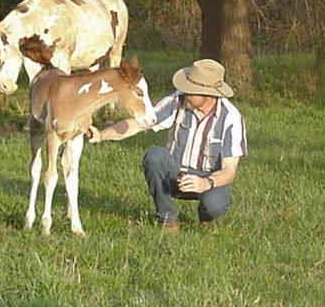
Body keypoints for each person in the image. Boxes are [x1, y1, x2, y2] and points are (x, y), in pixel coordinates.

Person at [88, 59, 248, 232]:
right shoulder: (178, 100)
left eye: (191, 91)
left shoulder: (231, 118)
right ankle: (167, 217)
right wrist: (102, 135)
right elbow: (139, 123)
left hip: (208, 179)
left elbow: (229, 171)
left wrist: (205, 182)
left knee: (215, 205)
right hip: (176, 173)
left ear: (208, 95)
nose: (185, 93)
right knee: (154, 156)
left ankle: (206, 217)